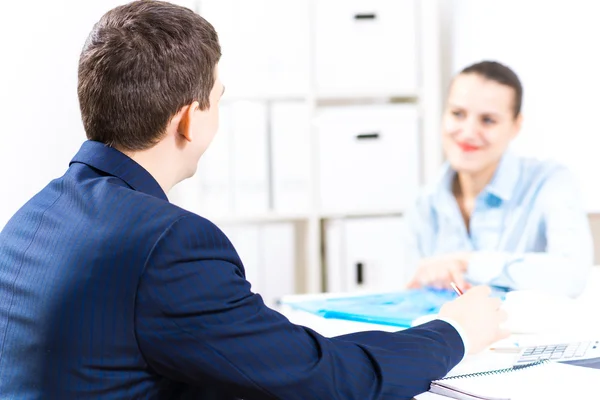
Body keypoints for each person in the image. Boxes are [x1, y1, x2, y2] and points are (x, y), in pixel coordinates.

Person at [0, 2, 508, 399]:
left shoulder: (32, 220)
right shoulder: (170, 243)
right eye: (219, 97)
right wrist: (454, 333)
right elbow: (326, 382)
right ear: (189, 119)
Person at [405, 60, 593, 299]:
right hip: (447, 334)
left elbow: (572, 276)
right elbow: (410, 292)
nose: (468, 132)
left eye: (488, 120)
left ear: (515, 126)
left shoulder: (551, 182)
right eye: (457, 114)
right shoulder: (425, 202)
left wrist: (468, 263)